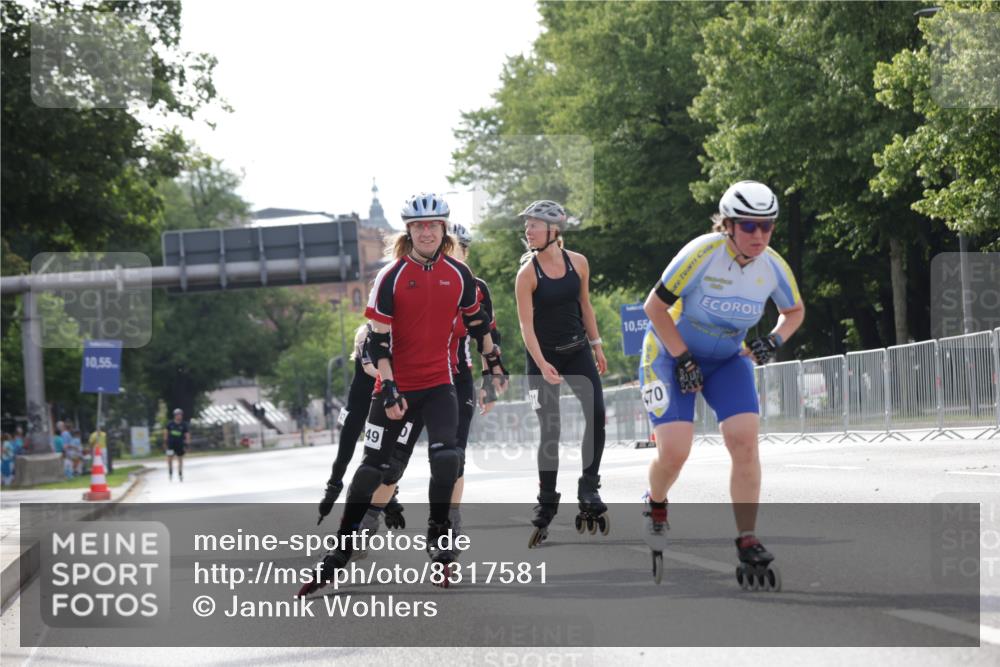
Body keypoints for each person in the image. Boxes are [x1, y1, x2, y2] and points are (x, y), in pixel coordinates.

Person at [299, 193, 508, 595]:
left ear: (443, 229)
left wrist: (492, 365)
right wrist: (391, 387)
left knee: (448, 460)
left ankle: (439, 539)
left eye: (433, 225)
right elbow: (376, 344)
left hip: (441, 384)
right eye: (418, 226)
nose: (426, 231)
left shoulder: (460, 276)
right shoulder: (390, 277)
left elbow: (479, 324)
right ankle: (340, 551)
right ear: (408, 231)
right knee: (373, 471)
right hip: (396, 386)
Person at [639, 180, 804, 587]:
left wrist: (774, 339)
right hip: (668, 354)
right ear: (727, 225)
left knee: (745, 440)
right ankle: (656, 502)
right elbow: (654, 307)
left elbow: (795, 310)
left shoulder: (773, 266)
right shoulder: (701, 254)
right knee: (675, 452)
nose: (759, 236)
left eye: (767, 226)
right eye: (749, 226)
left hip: (728, 360)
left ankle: (747, 538)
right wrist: (681, 357)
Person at [514, 200, 609, 547]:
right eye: (526, 226)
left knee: (597, 415)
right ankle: (547, 501)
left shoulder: (578, 263)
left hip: (577, 351)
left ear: (554, 230)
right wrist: (541, 364)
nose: (528, 231)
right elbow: (526, 326)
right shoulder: (527, 275)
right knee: (550, 429)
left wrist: (597, 345)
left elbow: (585, 305)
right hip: (542, 357)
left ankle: (588, 486)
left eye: (534, 225)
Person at [316, 323, 379, 523]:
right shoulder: (364, 331)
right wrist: (392, 378)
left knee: (379, 451)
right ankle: (333, 486)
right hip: (360, 397)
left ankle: (386, 493)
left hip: (381, 396)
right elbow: (368, 367)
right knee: (346, 450)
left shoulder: (395, 329)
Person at [163, 408, 191, 481]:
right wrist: (165, 441)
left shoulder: (184, 425)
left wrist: (187, 443)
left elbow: (187, 434)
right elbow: (166, 432)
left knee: (180, 459)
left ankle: (180, 473)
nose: (179, 416)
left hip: (180, 445)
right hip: (171, 444)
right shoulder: (170, 424)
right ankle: (170, 471)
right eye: (177, 415)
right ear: (175, 416)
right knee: (169, 459)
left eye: (180, 415)